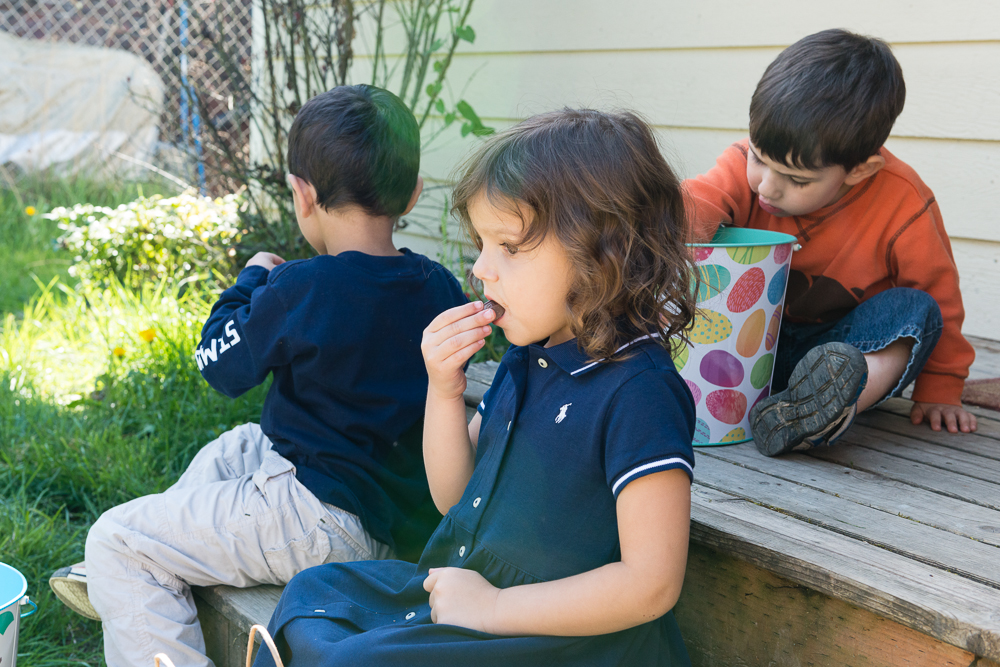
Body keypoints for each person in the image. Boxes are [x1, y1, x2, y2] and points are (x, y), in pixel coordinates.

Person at [252, 108, 699, 666]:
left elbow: (651, 584)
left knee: (354, 661)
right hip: (471, 597)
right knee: (314, 592)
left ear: (603, 254)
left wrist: (493, 607)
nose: (481, 268)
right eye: (482, 244)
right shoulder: (525, 360)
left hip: (555, 639)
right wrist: (443, 391)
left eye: (507, 246)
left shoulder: (639, 392)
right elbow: (453, 496)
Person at [49, 84, 468, 666]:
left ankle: (129, 567)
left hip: (317, 520)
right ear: (413, 193)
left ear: (303, 194)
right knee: (237, 445)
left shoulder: (303, 287)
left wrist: (249, 282)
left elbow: (218, 365)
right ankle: (153, 564)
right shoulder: (439, 286)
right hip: (383, 514)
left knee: (115, 539)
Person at [684, 29, 978, 457]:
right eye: (758, 158)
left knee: (918, 310)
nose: (766, 186)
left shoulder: (903, 202)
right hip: (753, 349)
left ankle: (828, 409)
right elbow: (692, 206)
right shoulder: (741, 168)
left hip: (843, 351)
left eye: (796, 179)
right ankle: (795, 402)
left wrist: (941, 388)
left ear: (859, 171)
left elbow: (940, 295)